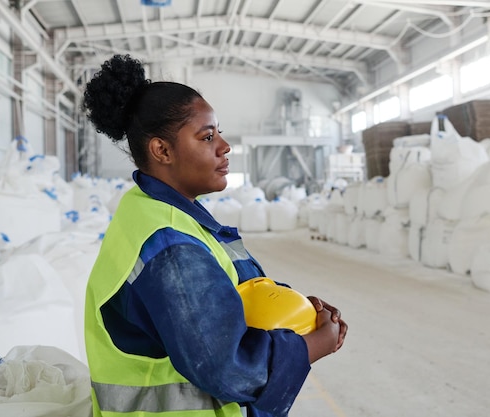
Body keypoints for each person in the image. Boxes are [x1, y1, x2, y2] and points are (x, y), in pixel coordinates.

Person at [82, 54, 348, 417]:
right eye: (208, 136)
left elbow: (229, 293)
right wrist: (311, 346)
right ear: (161, 150)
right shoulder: (168, 244)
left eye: (219, 132)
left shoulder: (154, 210)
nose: (225, 146)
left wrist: (300, 311)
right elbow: (227, 369)